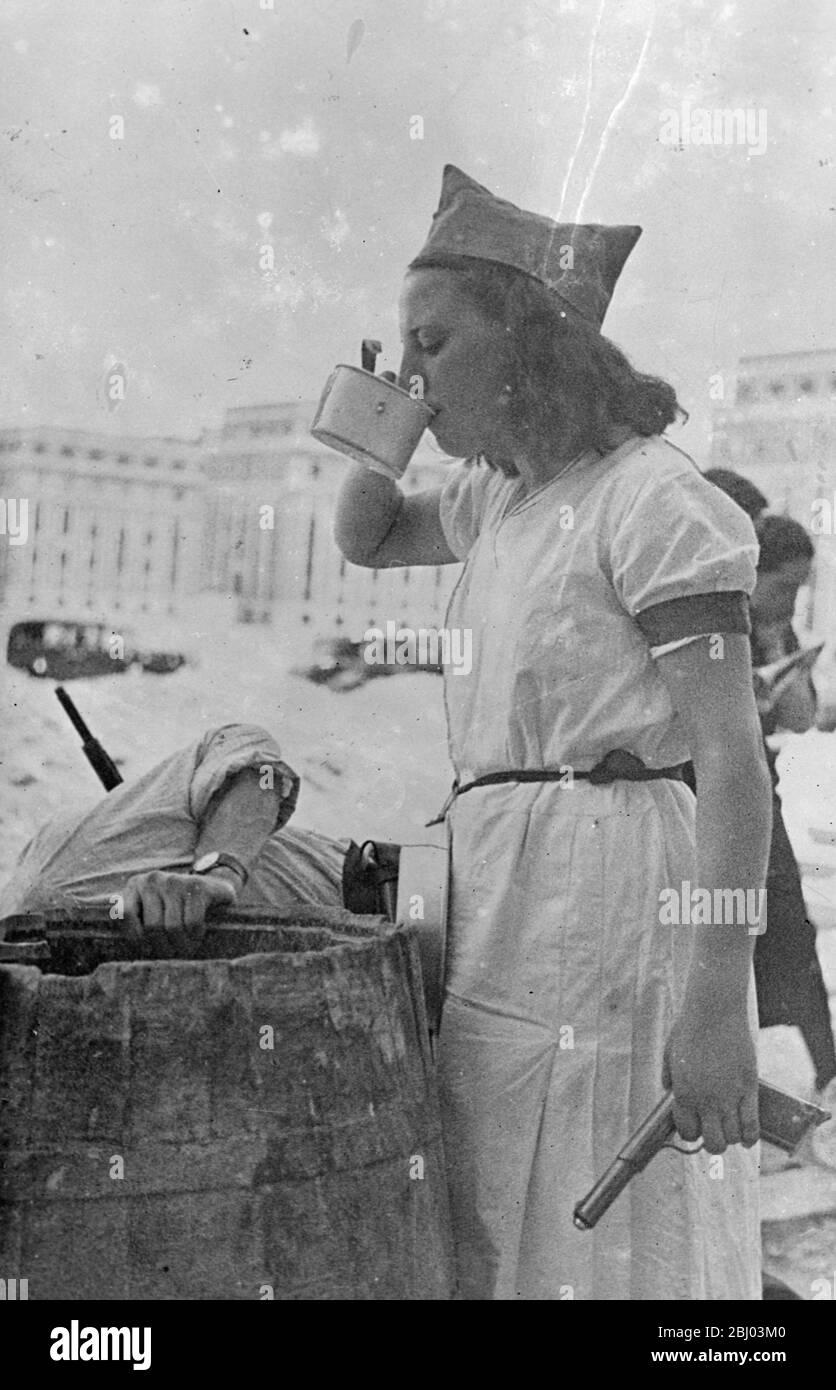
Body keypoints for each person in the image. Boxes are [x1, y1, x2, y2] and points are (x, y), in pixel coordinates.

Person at [334, 164, 773, 1300]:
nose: (414, 372)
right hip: (505, 893)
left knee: (605, 1232)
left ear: (525, 346)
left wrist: (718, 1002)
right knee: (500, 1207)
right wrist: (376, 427)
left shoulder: (650, 501)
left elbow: (732, 760)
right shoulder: (497, 499)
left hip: (618, 889)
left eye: (431, 343)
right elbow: (368, 538)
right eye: (403, 347)